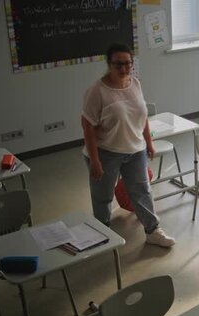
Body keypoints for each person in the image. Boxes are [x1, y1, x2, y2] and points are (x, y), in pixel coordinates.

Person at [81, 43, 174, 247]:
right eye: (118, 64)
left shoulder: (135, 84)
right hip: (106, 152)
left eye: (128, 64)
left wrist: (149, 142)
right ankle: (103, 234)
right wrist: (95, 159)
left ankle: (152, 230)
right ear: (109, 64)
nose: (124, 69)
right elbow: (87, 125)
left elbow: (142, 117)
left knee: (142, 191)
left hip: (135, 149)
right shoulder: (97, 91)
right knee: (103, 196)